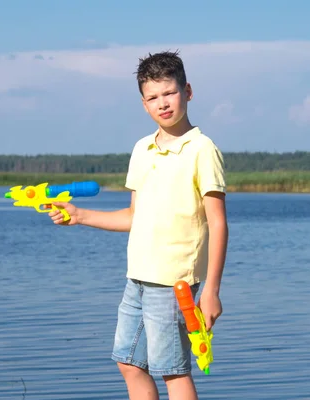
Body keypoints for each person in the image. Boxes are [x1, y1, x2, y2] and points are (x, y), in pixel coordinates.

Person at [48, 50, 229, 400]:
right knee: (129, 363)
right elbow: (134, 217)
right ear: (144, 104)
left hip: (174, 284)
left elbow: (218, 224)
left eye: (169, 93)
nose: (162, 103)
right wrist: (80, 215)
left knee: (173, 372)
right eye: (153, 97)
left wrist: (211, 291)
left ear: (187, 92)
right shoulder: (141, 149)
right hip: (137, 278)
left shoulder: (202, 150)